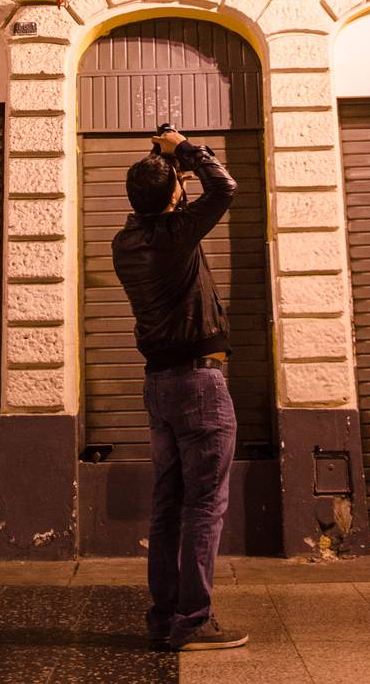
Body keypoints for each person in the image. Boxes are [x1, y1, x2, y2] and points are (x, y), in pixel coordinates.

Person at [111, 124, 249, 653]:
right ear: (173, 197)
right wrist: (182, 150)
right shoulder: (175, 236)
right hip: (198, 385)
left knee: (167, 504)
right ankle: (194, 621)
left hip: (159, 387)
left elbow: (164, 202)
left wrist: (163, 169)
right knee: (204, 505)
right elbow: (225, 188)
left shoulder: (126, 242)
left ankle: (164, 614)